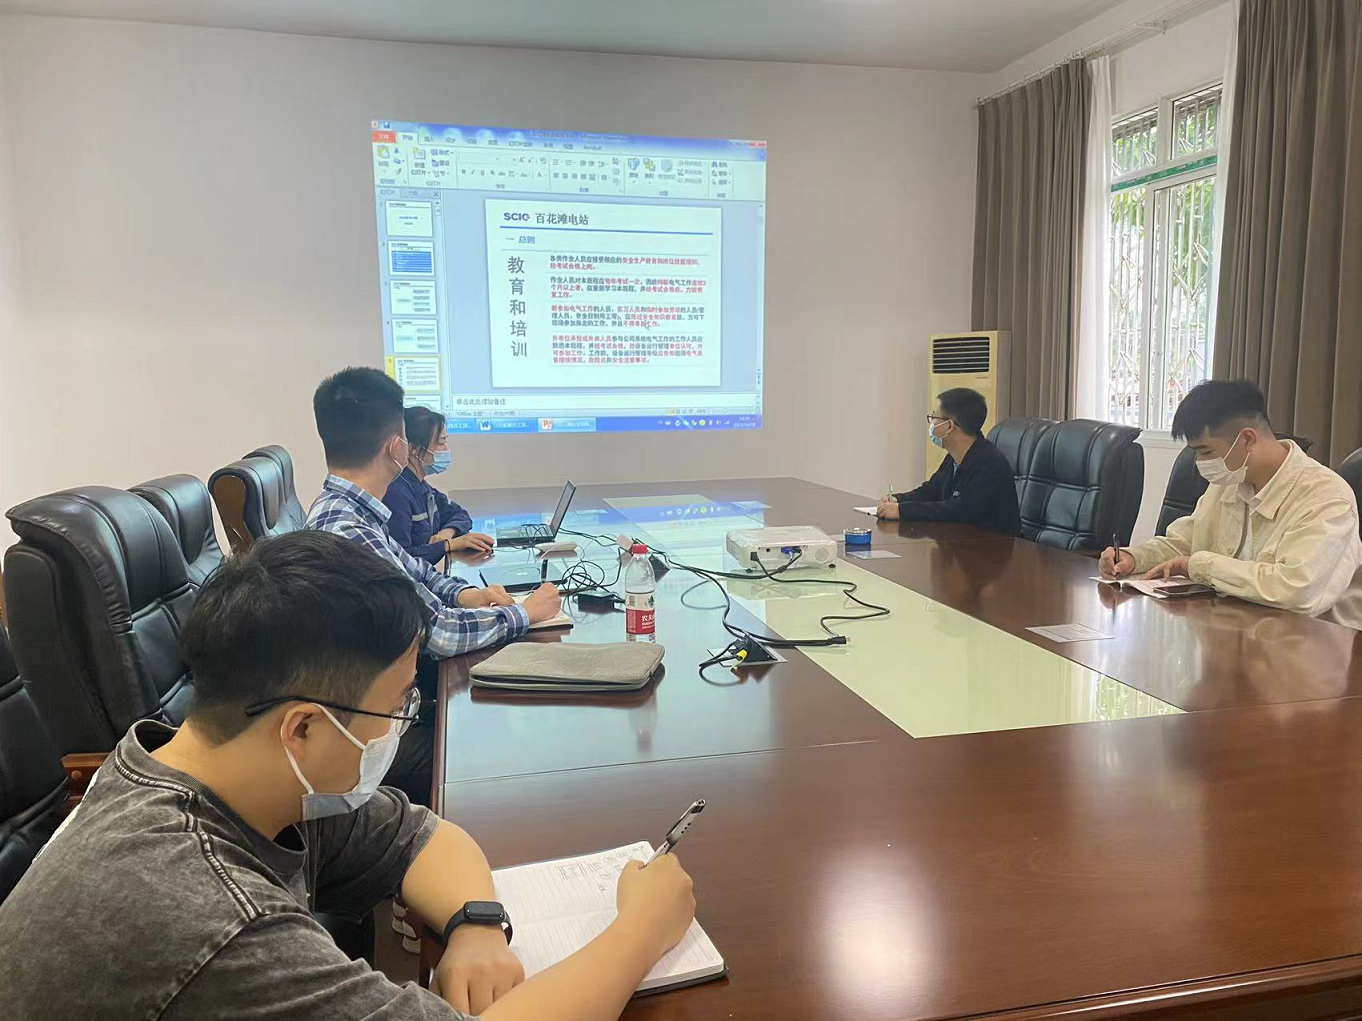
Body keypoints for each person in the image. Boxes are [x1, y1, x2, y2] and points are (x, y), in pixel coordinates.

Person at [0, 531, 697, 1020]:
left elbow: (419, 834)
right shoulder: (211, 919)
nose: (400, 723)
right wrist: (640, 929)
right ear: (302, 727)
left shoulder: (216, 774)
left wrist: (477, 924)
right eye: (395, 705)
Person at [307, 366, 562, 658]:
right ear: (397, 448)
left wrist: (468, 595)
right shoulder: (348, 533)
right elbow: (440, 633)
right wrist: (526, 612)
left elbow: (416, 572)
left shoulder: (351, 510)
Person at [1099, 379, 1362, 629]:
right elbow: (1184, 543)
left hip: (1315, 645)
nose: (1200, 463)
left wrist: (1199, 566)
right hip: (1239, 631)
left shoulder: (1326, 497)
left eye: (1206, 452)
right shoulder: (1230, 482)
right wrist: (1134, 558)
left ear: (1247, 439)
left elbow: (1295, 591)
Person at [877, 387, 1021, 536]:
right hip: (961, 542)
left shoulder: (989, 463)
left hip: (993, 546)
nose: (931, 423)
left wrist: (903, 511)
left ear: (949, 426)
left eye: (934, 417)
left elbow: (959, 510)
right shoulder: (953, 457)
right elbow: (931, 491)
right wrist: (898, 500)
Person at [385, 406, 493, 565]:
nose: (446, 450)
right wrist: (448, 545)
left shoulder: (422, 487)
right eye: (441, 443)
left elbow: (460, 514)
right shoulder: (396, 493)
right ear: (414, 449)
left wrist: (447, 533)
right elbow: (401, 559)